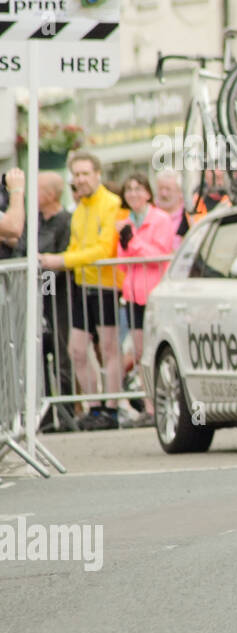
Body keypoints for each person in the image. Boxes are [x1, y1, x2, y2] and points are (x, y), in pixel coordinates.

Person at [37, 151, 125, 431]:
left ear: (98, 174)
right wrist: (59, 260)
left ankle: (111, 410)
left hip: (107, 285)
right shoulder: (80, 210)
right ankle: (94, 407)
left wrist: (61, 261)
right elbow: (76, 247)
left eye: (86, 173)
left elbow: (103, 248)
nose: (81, 179)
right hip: (82, 284)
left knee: (109, 347)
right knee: (76, 349)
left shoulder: (111, 204)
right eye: (77, 174)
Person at [4, 171, 75, 429]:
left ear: (50, 194)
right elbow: (20, 245)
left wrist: (43, 260)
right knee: (38, 349)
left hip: (57, 293)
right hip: (32, 292)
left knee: (60, 347)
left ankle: (67, 409)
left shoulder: (66, 220)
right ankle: (42, 412)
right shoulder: (34, 220)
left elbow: (60, 255)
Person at [117, 173, 177, 424]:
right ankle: (150, 407)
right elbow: (121, 262)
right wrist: (126, 241)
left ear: (147, 193)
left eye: (138, 189)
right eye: (129, 189)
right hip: (133, 294)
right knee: (140, 352)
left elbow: (160, 254)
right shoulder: (124, 223)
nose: (133, 194)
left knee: (158, 350)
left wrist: (134, 242)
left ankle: (166, 401)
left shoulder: (160, 220)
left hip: (154, 293)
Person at [152, 169, 188, 250]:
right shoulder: (149, 213)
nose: (163, 194)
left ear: (180, 192)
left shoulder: (188, 215)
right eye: (160, 189)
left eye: (168, 189)